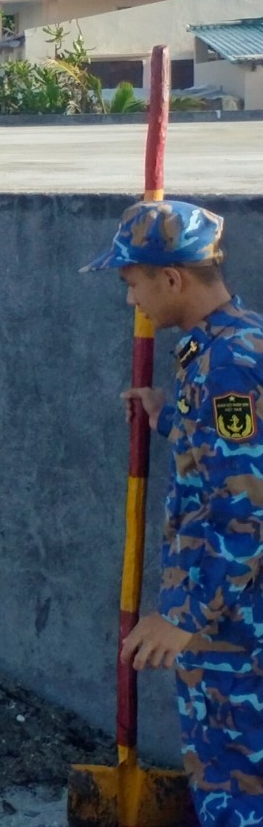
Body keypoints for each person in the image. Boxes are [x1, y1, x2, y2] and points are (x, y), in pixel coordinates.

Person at [91, 200, 263, 824]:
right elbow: (233, 457)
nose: (131, 299)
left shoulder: (228, 364)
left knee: (235, 782)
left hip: (234, 628)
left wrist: (186, 617)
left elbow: (246, 506)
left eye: (132, 282)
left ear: (171, 278)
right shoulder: (216, 346)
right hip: (225, 616)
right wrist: (174, 421)